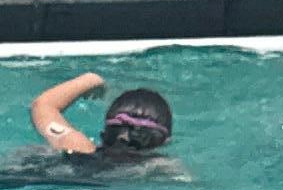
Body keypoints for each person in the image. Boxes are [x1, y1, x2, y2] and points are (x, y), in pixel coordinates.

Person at [26, 70, 174, 163]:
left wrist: (91, 80)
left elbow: (43, 105)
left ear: (104, 133)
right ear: (165, 142)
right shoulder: (157, 169)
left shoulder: (77, 146)